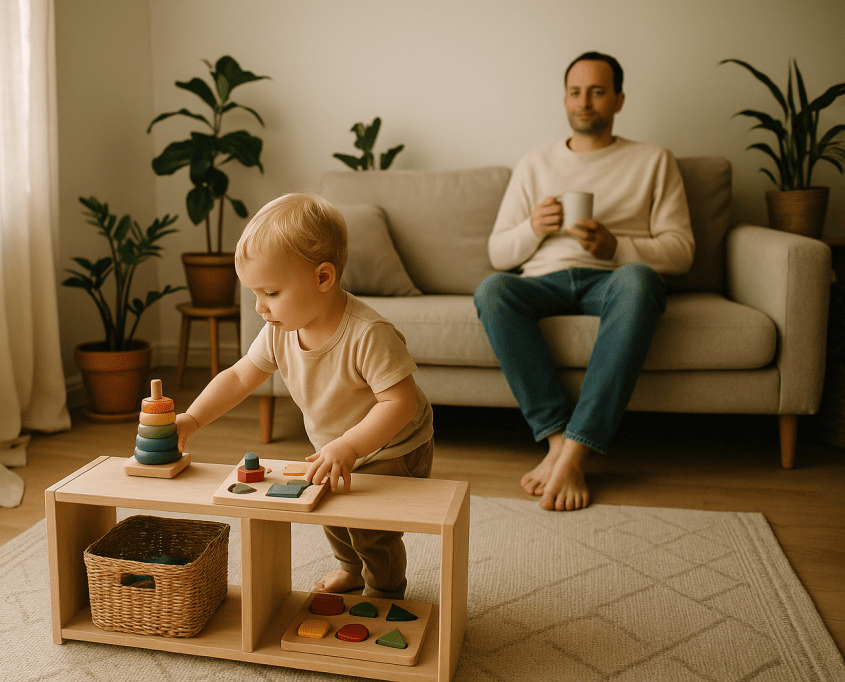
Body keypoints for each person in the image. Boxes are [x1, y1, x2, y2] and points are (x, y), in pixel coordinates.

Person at [175, 192, 434, 599]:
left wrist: (349, 446)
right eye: (254, 295)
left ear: (323, 278)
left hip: (394, 446)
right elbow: (240, 377)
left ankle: (385, 591)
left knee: (368, 528)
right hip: (335, 446)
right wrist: (191, 419)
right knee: (327, 508)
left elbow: (398, 403)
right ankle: (350, 569)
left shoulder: (369, 334)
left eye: (271, 293)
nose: (261, 307)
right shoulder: (279, 329)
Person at [474, 51, 694, 512]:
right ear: (564, 99)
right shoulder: (534, 164)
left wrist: (616, 247)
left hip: (611, 279)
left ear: (618, 99)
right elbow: (498, 254)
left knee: (639, 282)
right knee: (492, 289)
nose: (585, 101)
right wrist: (534, 227)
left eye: (597, 91)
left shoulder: (654, 160)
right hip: (542, 280)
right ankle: (556, 441)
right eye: (576, 92)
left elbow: (682, 250)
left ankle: (575, 450)